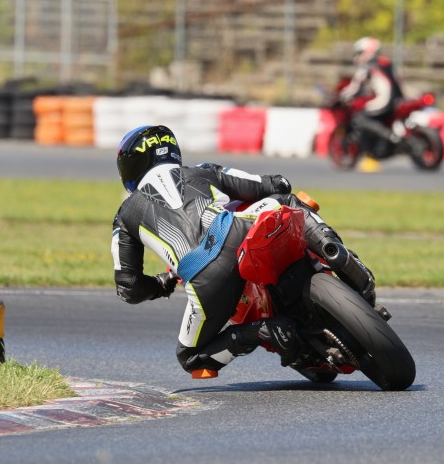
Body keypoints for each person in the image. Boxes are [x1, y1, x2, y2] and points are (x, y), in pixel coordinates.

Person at [111, 125, 376, 376]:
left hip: (204, 276)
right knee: (285, 201)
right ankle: (335, 252)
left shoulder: (125, 215)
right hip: (237, 228)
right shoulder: (202, 171)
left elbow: (128, 289)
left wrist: (160, 284)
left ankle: (262, 331)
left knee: (190, 358)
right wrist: (273, 182)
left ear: (131, 167)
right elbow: (275, 185)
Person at [339, 37, 405, 157]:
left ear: (368, 52)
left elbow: (354, 87)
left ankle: (389, 136)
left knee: (359, 117)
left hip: (384, 101)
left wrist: (342, 95)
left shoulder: (367, 67)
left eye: (360, 53)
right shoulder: (387, 62)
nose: (358, 56)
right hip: (398, 100)